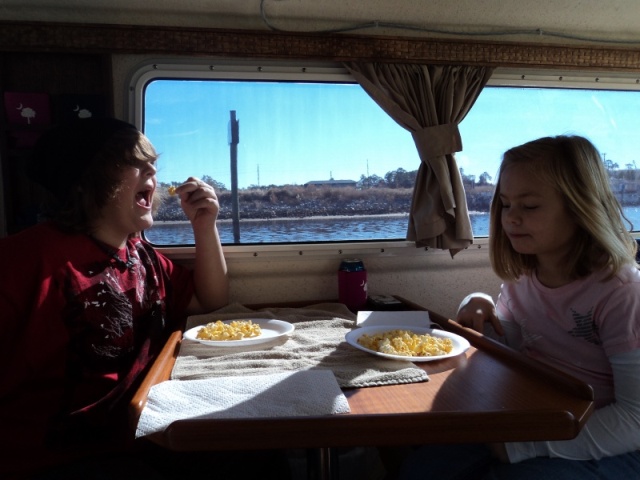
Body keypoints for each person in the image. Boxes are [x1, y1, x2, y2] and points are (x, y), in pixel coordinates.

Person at [0, 117, 236, 479]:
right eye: (134, 161)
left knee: (258, 455)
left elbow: (210, 300)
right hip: (53, 458)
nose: (153, 169)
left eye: (152, 162)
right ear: (86, 179)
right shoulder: (24, 260)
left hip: (136, 434)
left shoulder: (141, 256)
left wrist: (205, 225)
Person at [398, 135, 640, 480]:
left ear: (579, 208)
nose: (511, 218)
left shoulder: (621, 292)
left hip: (614, 441)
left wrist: (523, 447)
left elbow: (635, 418)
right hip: (540, 417)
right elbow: (506, 353)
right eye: (506, 204)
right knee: (424, 467)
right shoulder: (523, 277)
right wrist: (476, 303)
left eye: (529, 206)